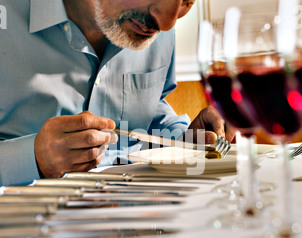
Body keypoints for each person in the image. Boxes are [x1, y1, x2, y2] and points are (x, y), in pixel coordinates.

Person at [0, 0, 235, 186]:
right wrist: (34, 158)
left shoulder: (152, 25)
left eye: (187, 1)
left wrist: (184, 142)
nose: (166, 24)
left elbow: (147, 111)